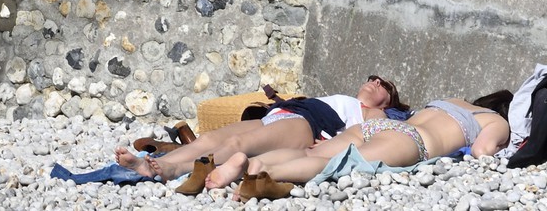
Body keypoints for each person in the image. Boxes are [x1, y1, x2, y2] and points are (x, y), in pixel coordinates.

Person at [213, 90, 513, 194]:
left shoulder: (451, 99)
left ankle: (245, 162)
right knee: (330, 164)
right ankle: (263, 170)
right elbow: (481, 150)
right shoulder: (496, 121)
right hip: (410, 140)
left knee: (308, 150)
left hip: (381, 126)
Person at [116, 76, 404, 183]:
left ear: (388, 101)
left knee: (238, 143)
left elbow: (370, 137)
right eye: (373, 78)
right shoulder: (347, 99)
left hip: (306, 126)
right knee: (211, 138)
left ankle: (170, 171)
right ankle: (153, 164)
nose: (375, 83)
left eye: (384, 86)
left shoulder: (373, 113)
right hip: (281, 114)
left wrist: (334, 143)